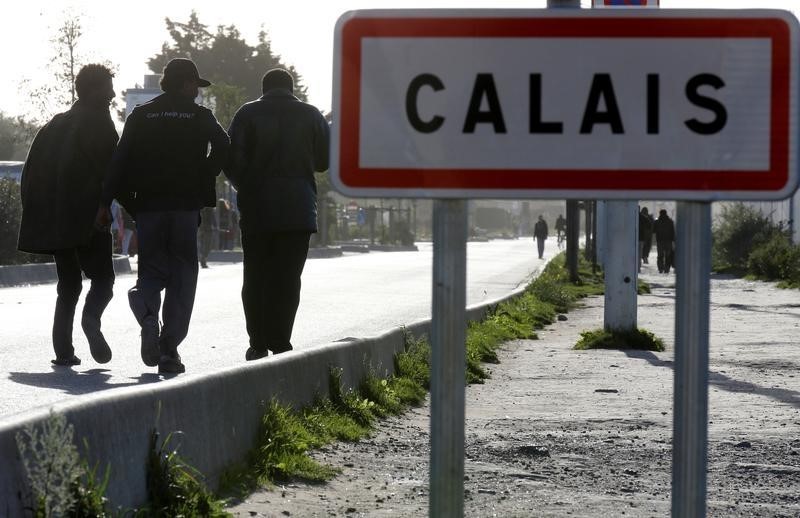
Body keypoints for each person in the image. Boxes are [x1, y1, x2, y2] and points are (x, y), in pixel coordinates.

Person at [98, 58, 230, 374]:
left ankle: (145, 307)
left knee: (153, 271)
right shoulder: (200, 116)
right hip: (185, 208)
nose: (197, 93)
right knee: (183, 277)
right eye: (194, 86)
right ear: (184, 84)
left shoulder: (141, 115)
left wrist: (107, 202)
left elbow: (119, 162)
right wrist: (205, 175)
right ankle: (169, 351)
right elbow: (225, 145)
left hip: (149, 209)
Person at [225, 68, 329, 361]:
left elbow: (230, 161)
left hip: (257, 209)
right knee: (288, 277)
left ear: (264, 88)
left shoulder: (247, 114)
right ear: (291, 88)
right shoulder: (312, 115)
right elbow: (323, 160)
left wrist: (247, 186)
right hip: (299, 210)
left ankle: (256, 341)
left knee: (255, 275)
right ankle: (280, 339)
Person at [17, 64, 118, 367]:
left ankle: (63, 351)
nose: (112, 94)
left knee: (69, 284)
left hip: (57, 222)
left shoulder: (53, 126)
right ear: (91, 90)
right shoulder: (99, 123)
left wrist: (39, 216)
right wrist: (113, 206)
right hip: (89, 217)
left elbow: (29, 174)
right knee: (103, 279)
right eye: (107, 88)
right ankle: (91, 319)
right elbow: (114, 172)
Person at [653, 209, 676, 274]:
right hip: (668, 241)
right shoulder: (670, 221)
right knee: (668, 256)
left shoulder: (657, 221)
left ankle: (660, 268)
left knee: (660, 255)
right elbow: (673, 231)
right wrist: (673, 240)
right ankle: (666, 269)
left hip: (660, 240)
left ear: (660, 213)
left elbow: (654, 231)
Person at [638, 207, 653, 272]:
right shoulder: (644, 217)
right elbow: (650, 225)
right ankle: (642, 260)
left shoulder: (633, 216)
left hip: (636, 237)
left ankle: (643, 259)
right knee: (641, 251)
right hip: (642, 237)